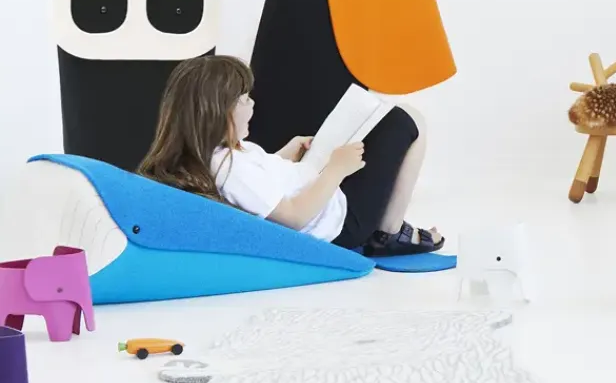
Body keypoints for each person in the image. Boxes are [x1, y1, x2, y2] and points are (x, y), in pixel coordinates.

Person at [136, 55, 443, 256]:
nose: (252, 104)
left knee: (391, 117)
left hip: (322, 194)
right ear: (217, 112)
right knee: (406, 122)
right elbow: (294, 217)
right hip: (340, 222)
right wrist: (336, 169)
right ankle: (389, 234)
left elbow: (263, 179)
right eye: (244, 100)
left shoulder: (223, 154)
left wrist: (286, 154)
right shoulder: (227, 168)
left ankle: (388, 229)